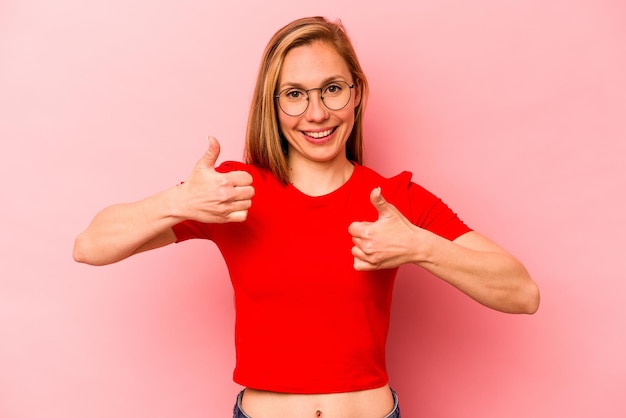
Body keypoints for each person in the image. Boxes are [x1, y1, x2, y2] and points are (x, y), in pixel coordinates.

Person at [73, 16, 540, 418]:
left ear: (356, 94)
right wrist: (176, 203)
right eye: (294, 94)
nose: (317, 113)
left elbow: (522, 292)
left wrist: (420, 246)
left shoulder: (394, 199)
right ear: (273, 106)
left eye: (333, 89)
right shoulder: (233, 192)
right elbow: (89, 247)